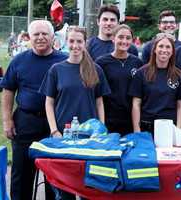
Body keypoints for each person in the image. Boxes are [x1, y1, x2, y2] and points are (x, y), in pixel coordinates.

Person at [0, 20, 68, 200]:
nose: (40, 37)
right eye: (36, 34)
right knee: (21, 176)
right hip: (26, 122)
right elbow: (7, 91)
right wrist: (7, 120)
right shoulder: (19, 61)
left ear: (53, 37)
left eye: (45, 34)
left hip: (55, 125)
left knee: (57, 178)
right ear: (29, 38)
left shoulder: (64, 61)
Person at [39, 26, 110, 199]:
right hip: (63, 135)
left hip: (90, 138)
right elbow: (49, 103)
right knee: (65, 189)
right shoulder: (56, 69)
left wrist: (102, 130)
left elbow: (100, 102)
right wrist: (54, 130)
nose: (75, 45)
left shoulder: (95, 69)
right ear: (66, 42)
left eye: (79, 41)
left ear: (85, 43)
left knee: (89, 188)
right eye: (72, 41)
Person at [129, 33, 181, 134]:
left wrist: (179, 130)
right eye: (161, 46)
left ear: (172, 52)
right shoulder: (141, 73)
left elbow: (180, 106)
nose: (164, 50)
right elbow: (136, 104)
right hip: (146, 127)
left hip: (170, 128)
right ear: (154, 49)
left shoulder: (179, 75)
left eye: (168, 47)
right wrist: (137, 130)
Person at [96, 24, 143, 135]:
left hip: (131, 120)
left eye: (128, 38)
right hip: (108, 119)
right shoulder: (101, 63)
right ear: (113, 38)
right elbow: (97, 95)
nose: (124, 41)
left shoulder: (137, 63)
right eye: (120, 37)